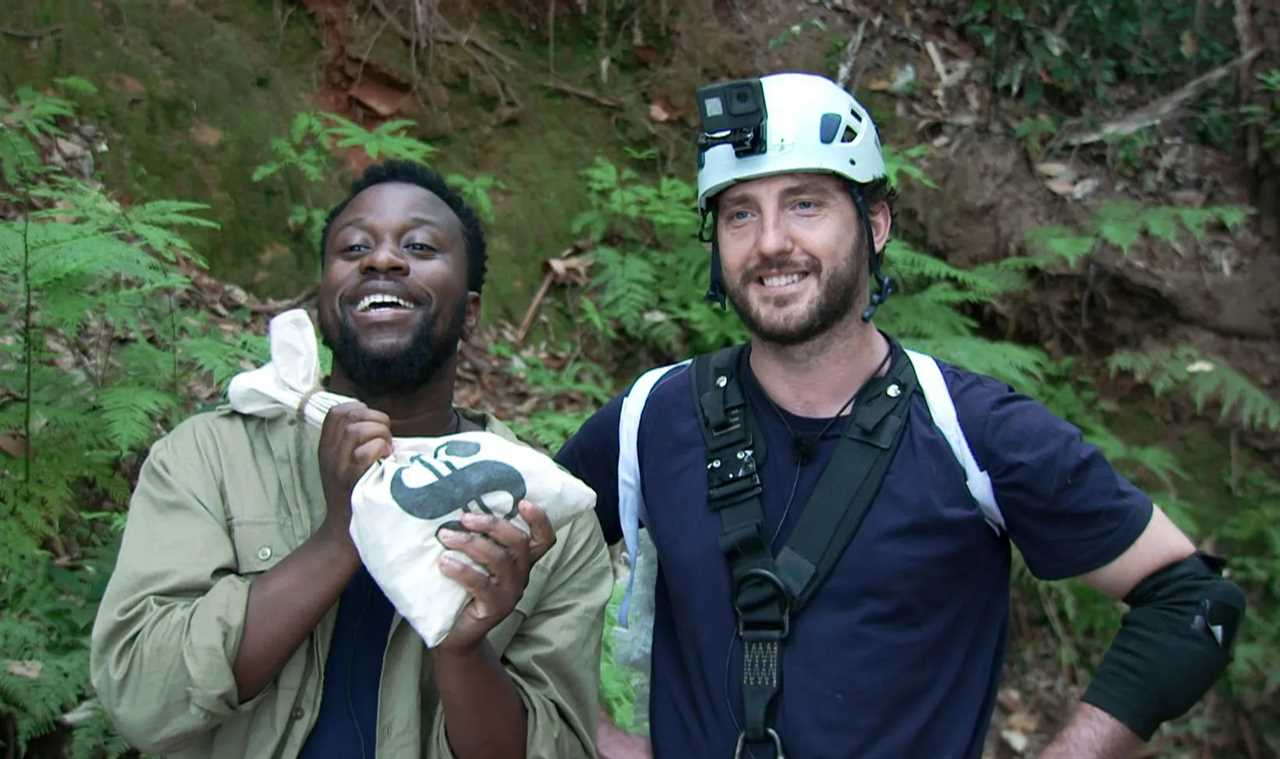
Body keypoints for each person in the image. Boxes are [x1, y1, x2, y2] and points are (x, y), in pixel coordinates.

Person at [556, 72, 1245, 758]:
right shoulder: (654, 418)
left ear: (875, 223)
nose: (769, 242)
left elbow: (1192, 602)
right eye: (740, 212)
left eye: (805, 204)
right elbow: (511, 573)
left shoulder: (973, 432)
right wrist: (592, 733)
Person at [91, 160, 613, 759]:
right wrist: (339, 537)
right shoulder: (209, 457)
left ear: (470, 313)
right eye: (355, 247)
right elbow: (138, 693)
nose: (382, 260)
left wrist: (462, 645)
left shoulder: (543, 511)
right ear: (322, 306)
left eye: (418, 245)